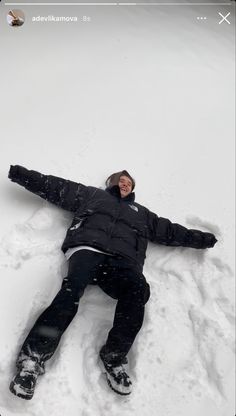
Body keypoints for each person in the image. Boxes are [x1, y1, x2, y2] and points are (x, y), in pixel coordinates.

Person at [8, 165, 217, 399]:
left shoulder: (143, 214)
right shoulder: (92, 195)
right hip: (87, 250)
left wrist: (203, 239)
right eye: (121, 180)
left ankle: (114, 356)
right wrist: (20, 174)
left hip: (122, 263)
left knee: (138, 289)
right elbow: (55, 186)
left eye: (129, 182)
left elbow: (171, 232)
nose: (125, 183)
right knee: (71, 290)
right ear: (112, 182)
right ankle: (32, 361)